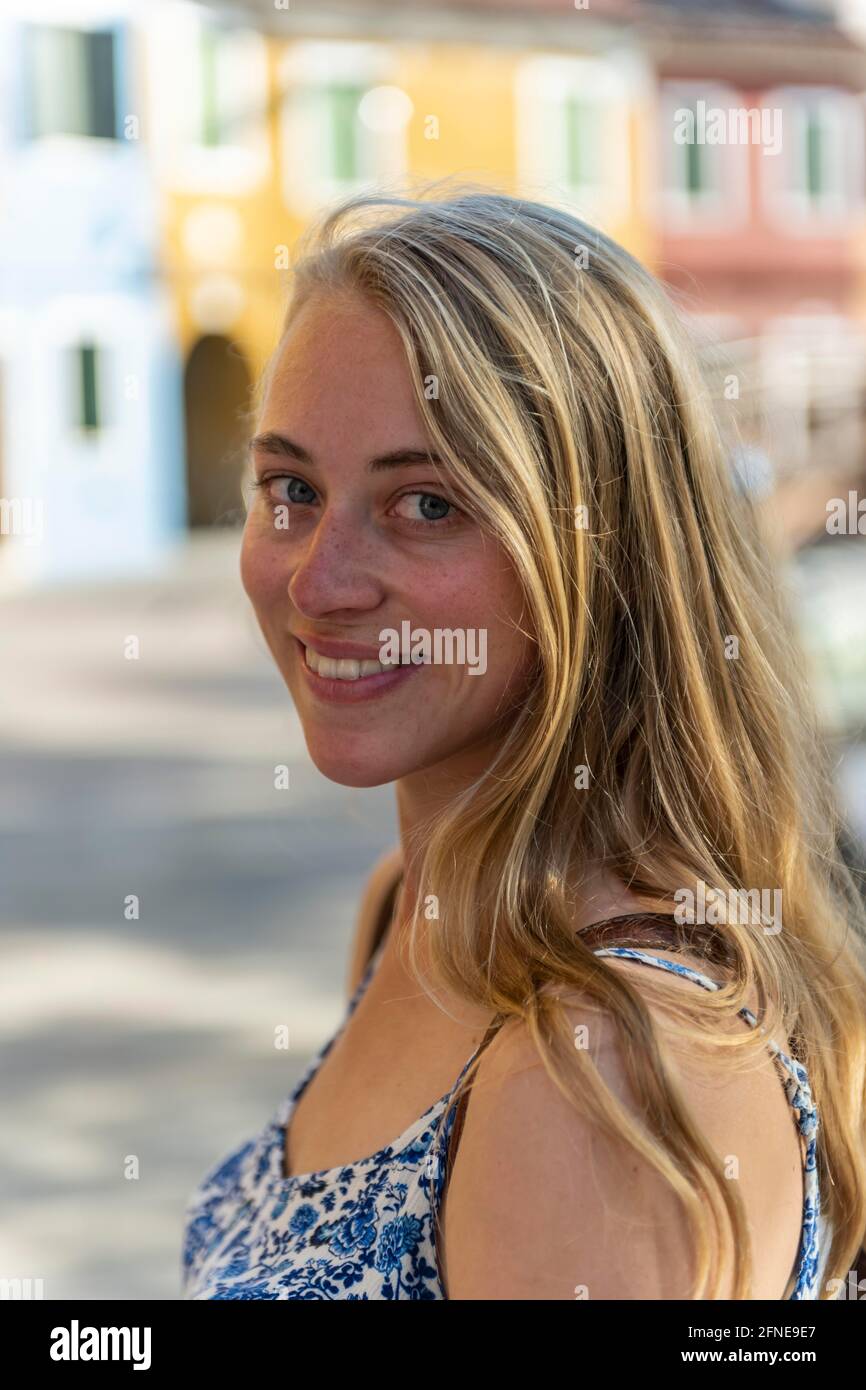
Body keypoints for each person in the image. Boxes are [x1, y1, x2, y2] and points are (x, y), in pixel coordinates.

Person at [181, 185, 866, 1300]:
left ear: (603, 551)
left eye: (428, 504)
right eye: (291, 488)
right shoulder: (406, 903)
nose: (317, 580)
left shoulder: (599, 1068)